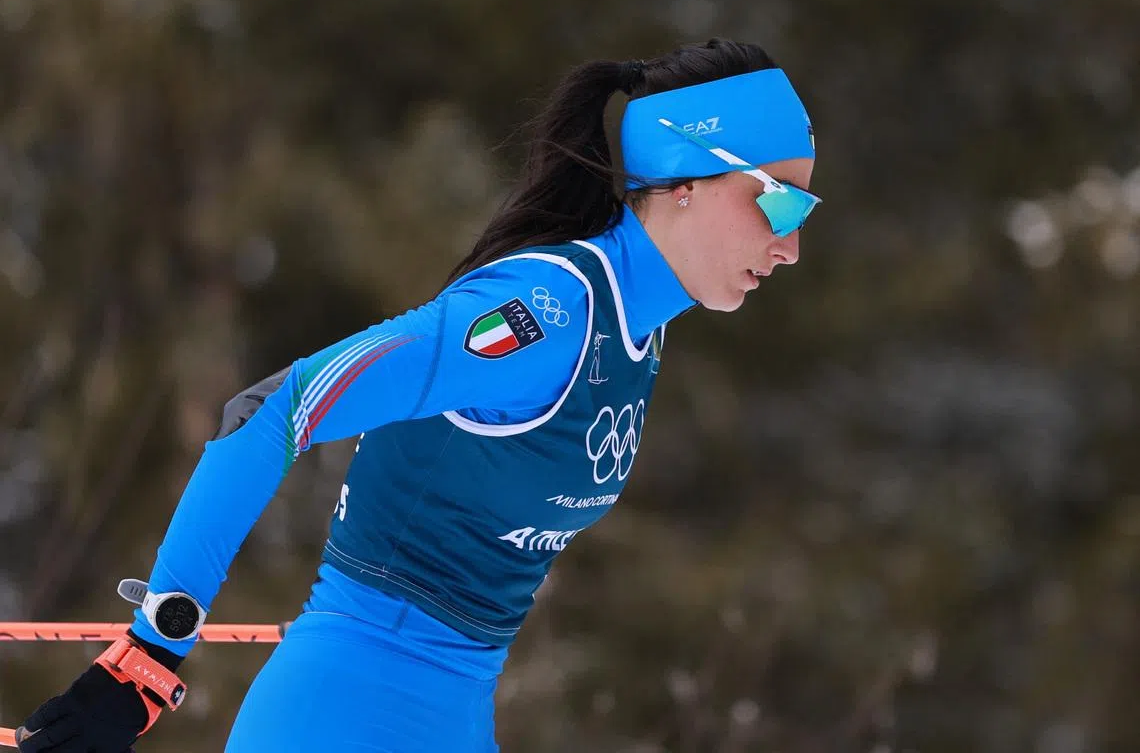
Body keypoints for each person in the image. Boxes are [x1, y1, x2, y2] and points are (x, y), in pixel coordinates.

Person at [15, 37, 819, 752]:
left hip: (455, 712)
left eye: (804, 208)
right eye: (779, 201)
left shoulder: (636, 326)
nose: (790, 246)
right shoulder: (545, 315)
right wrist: (146, 660)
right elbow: (275, 410)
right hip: (344, 711)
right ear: (685, 180)